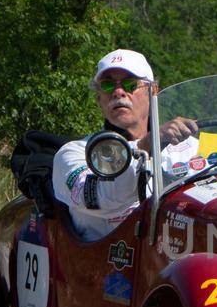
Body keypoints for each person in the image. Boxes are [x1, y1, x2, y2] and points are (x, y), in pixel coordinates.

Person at [53, 50, 200, 240]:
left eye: (130, 84)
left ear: (153, 91)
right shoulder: (75, 153)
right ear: (99, 98)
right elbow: (101, 198)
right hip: (109, 265)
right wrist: (148, 143)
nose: (118, 92)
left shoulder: (190, 147)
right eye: (107, 85)